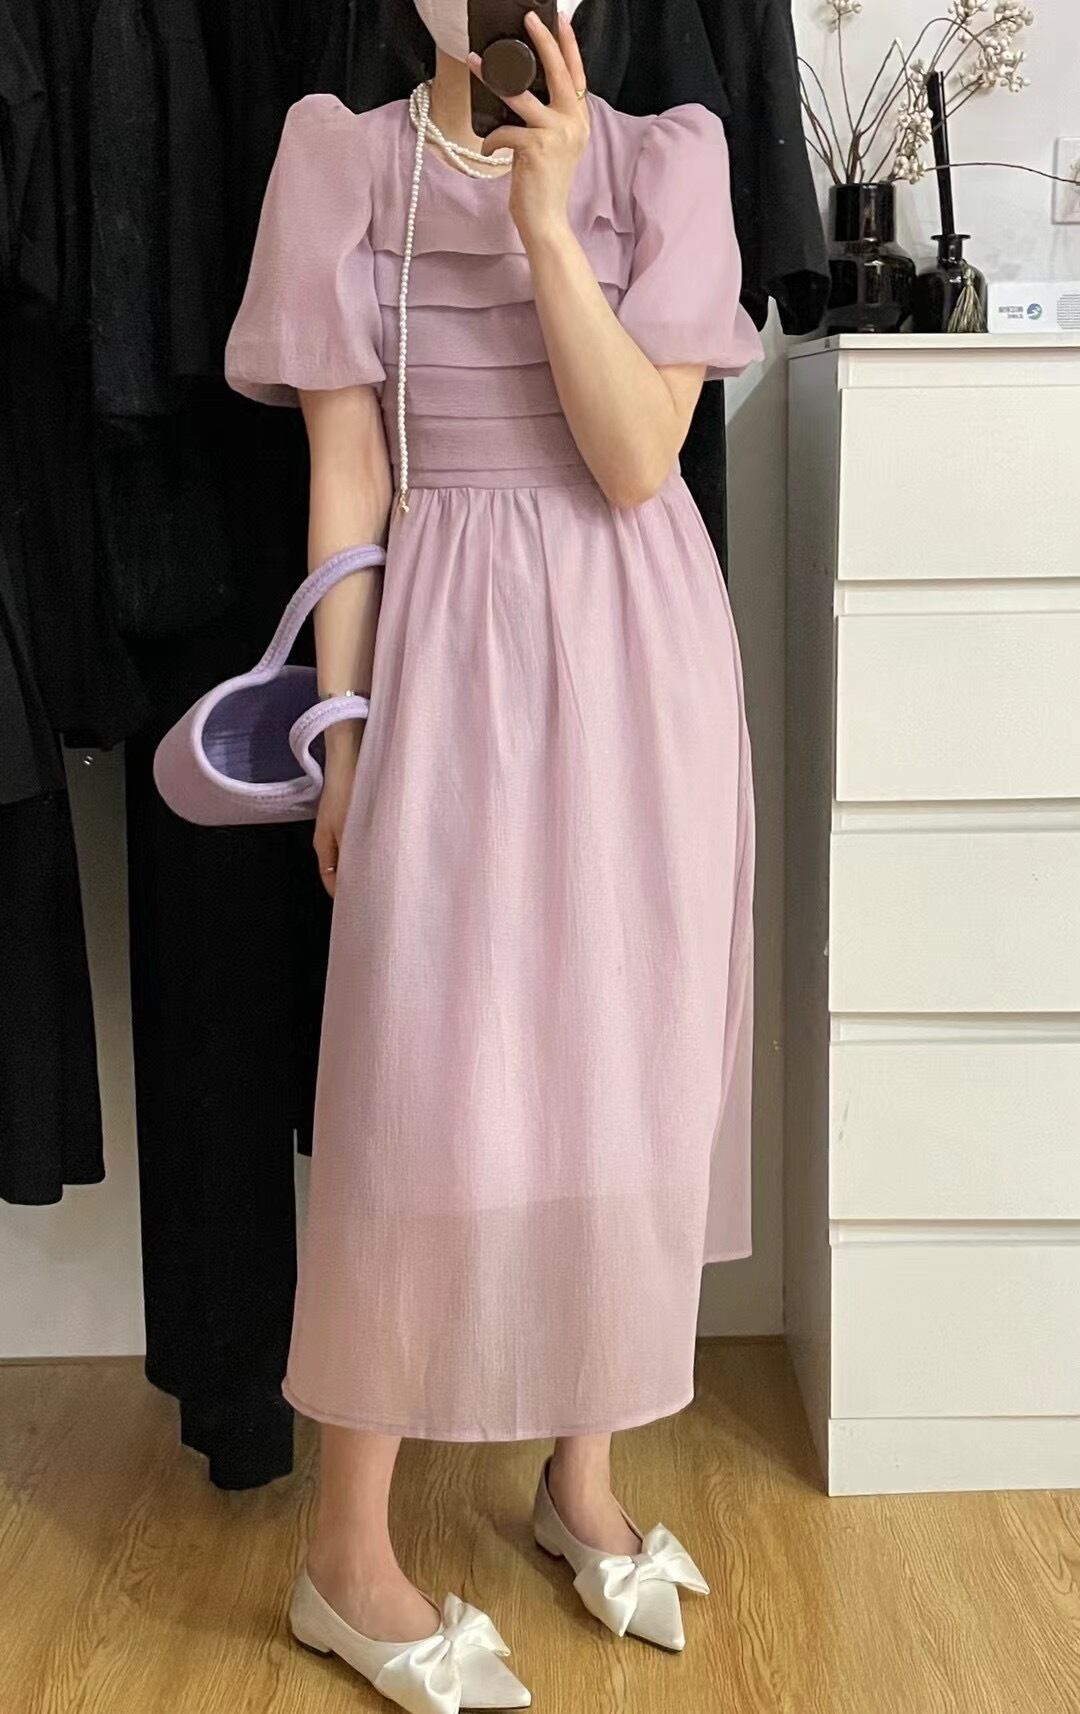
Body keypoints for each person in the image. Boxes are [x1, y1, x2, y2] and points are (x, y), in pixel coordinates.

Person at [224, 2, 762, 1707]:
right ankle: (344, 1552)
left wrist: (547, 217)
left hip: (641, 655)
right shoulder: (338, 161)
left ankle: (579, 1482)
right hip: (446, 658)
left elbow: (637, 457)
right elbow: (346, 476)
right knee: (420, 1093)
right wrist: (343, 735)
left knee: (625, 1073)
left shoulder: (670, 163)